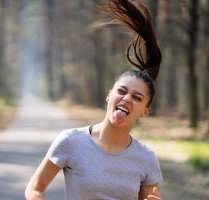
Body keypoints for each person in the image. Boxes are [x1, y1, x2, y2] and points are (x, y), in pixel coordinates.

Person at [25, 0, 163, 199]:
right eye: (121, 91)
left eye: (137, 97)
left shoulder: (146, 158)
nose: (126, 98)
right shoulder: (71, 141)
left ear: (144, 111)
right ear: (109, 96)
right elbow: (35, 188)